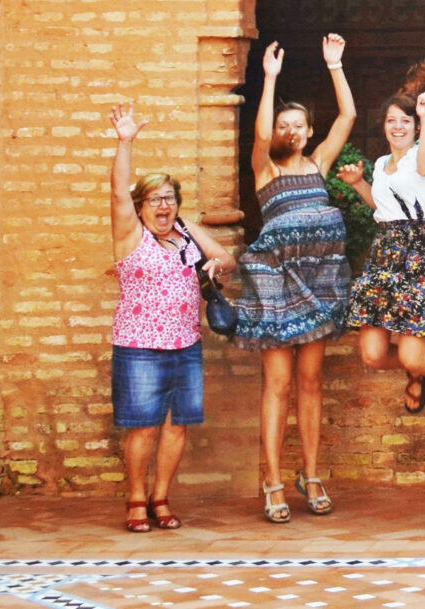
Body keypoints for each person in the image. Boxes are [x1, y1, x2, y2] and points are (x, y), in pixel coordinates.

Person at [234, 35, 357, 523]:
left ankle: (311, 474)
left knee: (310, 381)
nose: (289, 131)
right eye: (283, 125)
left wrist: (335, 65)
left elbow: (347, 117)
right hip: (276, 286)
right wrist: (269, 78)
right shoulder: (264, 170)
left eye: (297, 125)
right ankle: (272, 481)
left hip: (318, 284)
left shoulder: (318, 164)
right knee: (278, 384)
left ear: (308, 133)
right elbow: (260, 134)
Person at [106, 104, 234, 533]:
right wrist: (126, 142)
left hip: (185, 345)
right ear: (140, 206)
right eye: (155, 199)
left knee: (177, 427)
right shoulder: (130, 234)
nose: (164, 206)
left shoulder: (185, 231)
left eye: (170, 198)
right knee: (143, 428)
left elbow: (226, 257)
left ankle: (161, 497)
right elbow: (117, 193)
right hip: (139, 346)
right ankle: (135, 499)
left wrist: (217, 265)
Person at [335, 69, 425, 436]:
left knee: (411, 352)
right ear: (384, 126)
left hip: (421, 253)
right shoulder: (381, 164)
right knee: (373, 355)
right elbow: (383, 208)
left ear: (415, 127)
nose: (397, 126)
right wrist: (359, 183)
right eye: (391, 120)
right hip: (385, 254)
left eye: (405, 121)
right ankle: (416, 370)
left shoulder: (424, 154)